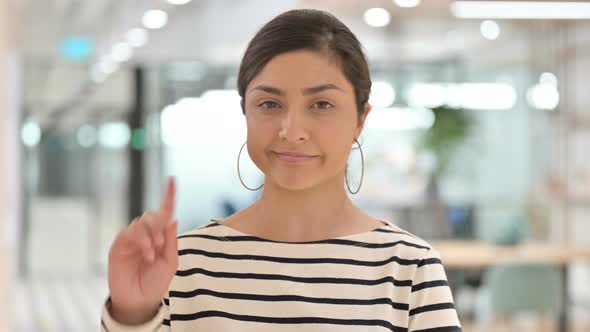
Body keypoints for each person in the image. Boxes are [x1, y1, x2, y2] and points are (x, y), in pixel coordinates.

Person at [101, 9, 462, 332]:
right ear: (245, 112)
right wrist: (132, 315)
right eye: (269, 103)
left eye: (321, 104)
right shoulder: (184, 265)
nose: (291, 130)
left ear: (360, 119)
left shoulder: (408, 266)